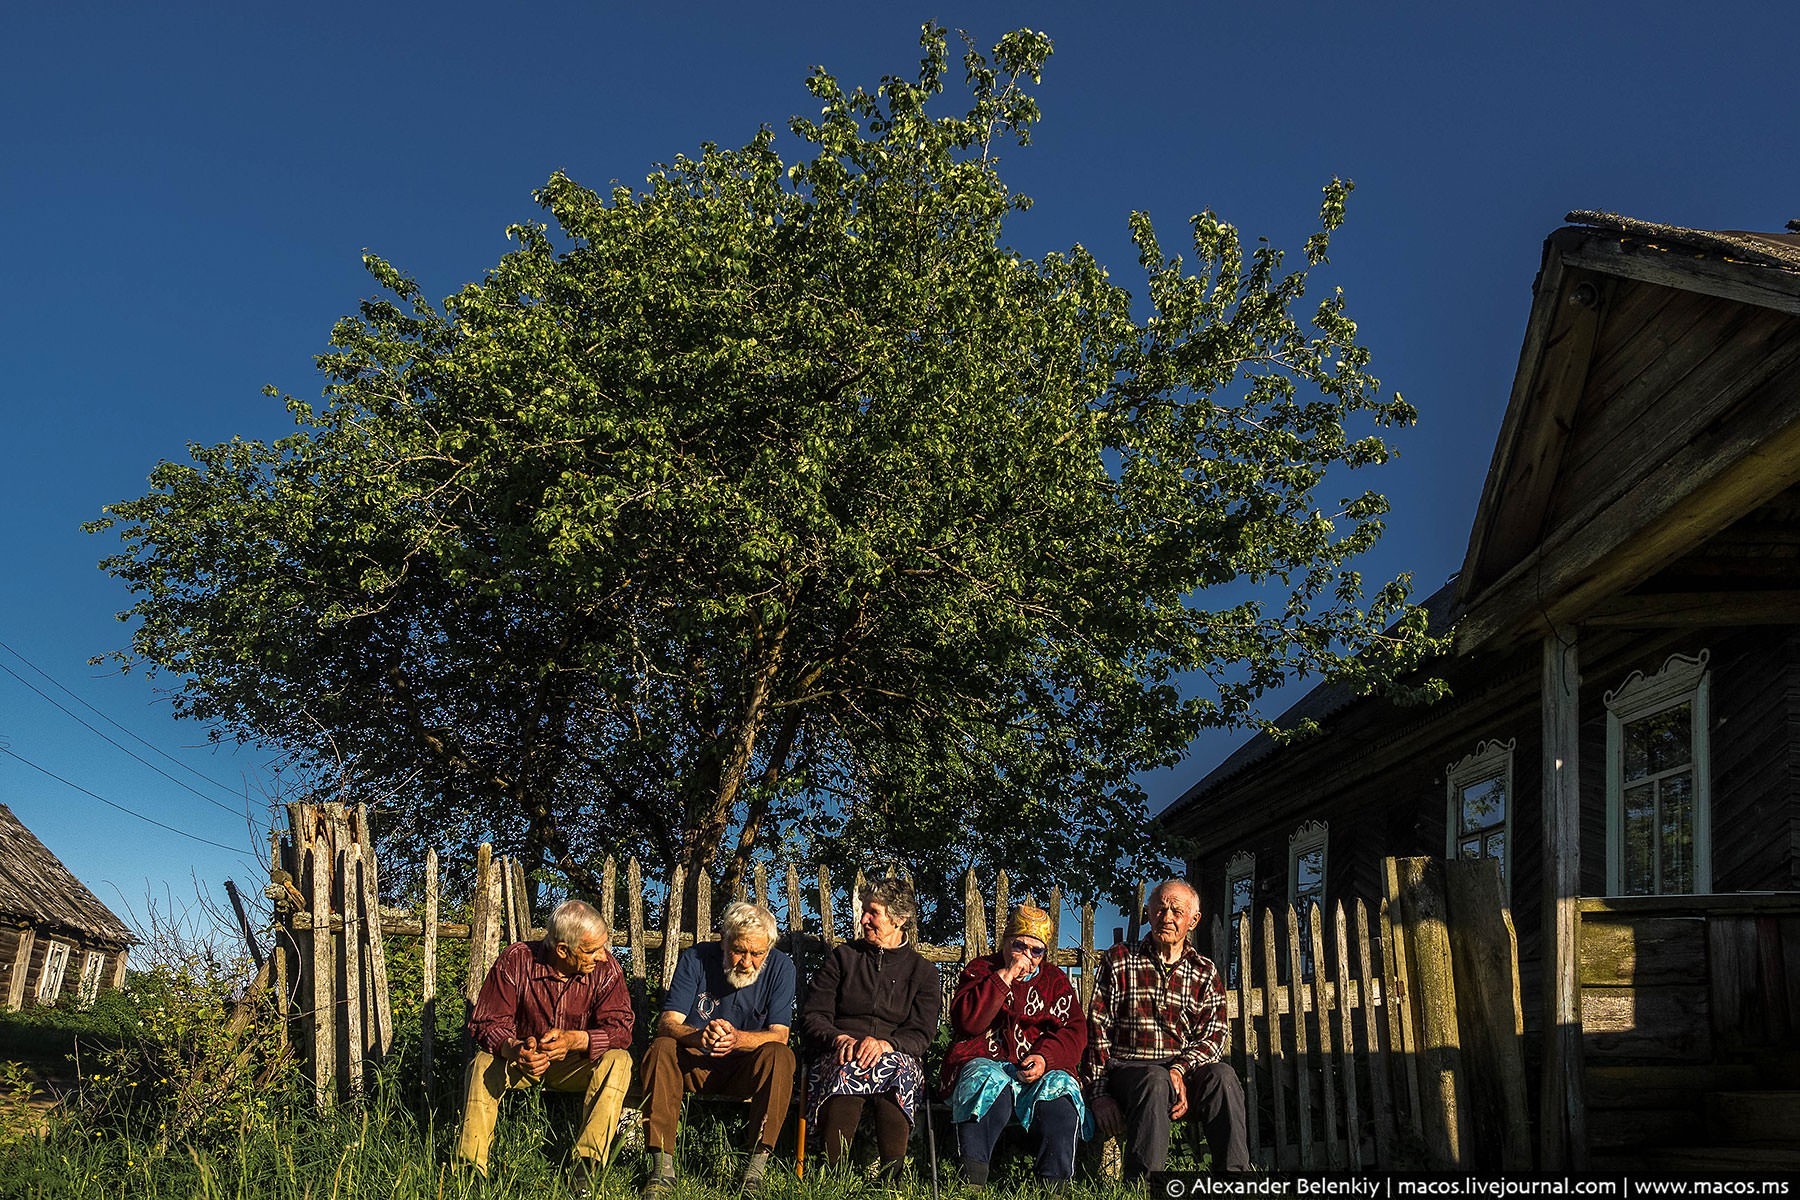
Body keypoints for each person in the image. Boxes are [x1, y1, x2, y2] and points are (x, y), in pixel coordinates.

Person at [457, 898, 635, 1194]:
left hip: (574, 1065)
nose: (602, 956)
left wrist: (576, 1039)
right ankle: (471, 1169)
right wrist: (514, 1048)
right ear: (563, 950)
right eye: (592, 950)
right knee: (482, 1064)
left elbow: (622, 1029)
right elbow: (486, 1022)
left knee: (619, 1060)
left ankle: (586, 1166)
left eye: (603, 947)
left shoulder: (606, 970)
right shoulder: (517, 960)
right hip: (524, 1063)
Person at [1085, 878, 1250, 1176]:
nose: (1168, 917)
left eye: (1176, 911)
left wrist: (1180, 1068)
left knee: (1222, 1076)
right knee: (1154, 1079)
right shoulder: (1121, 958)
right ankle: (1146, 1185)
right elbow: (1098, 1030)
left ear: (1193, 920)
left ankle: (1234, 1179)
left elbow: (1213, 1036)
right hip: (1130, 1070)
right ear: (1149, 912)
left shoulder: (1204, 970)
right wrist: (1099, 1094)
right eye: (1160, 909)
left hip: (1182, 1070)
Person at [640, 900, 798, 1197]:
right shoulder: (697, 957)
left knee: (781, 1056)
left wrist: (738, 1038)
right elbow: (668, 1023)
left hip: (746, 1068)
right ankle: (662, 1169)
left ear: (768, 949)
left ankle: (755, 1172)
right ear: (724, 940)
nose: (747, 962)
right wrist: (700, 1036)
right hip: (695, 1062)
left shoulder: (781, 967)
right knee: (661, 1047)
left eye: (757, 953)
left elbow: (780, 1035)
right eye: (739, 950)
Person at [799, 876, 942, 1176]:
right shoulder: (843, 958)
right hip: (839, 1050)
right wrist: (839, 1039)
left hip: (895, 1052)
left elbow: (922, 1033)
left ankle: (891, 1178)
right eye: (864, 911)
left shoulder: (923, 972)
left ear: (899, 919)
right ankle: (833, 1176)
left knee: (897, 1071)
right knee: (848, 1065)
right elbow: (813, 1015)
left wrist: (887, 1046)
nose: (863, 919)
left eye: (872, 912)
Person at [942, 904, 1089, 1187]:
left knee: (1062, 1093)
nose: (1027, 956)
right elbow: (968, 1023)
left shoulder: (1055, 981)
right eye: (1020, 945)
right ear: (1006, 942)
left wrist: (1046, 1058)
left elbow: (1075, 1029)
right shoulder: (980, 969)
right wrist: (1005, 977)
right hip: (986, 1058)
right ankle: (972, 1181)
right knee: (986, 1081)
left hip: (1038, 1066)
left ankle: (1052, 1185)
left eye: (1037, 951)